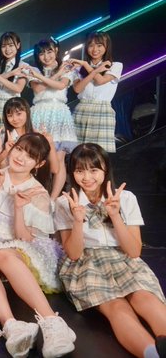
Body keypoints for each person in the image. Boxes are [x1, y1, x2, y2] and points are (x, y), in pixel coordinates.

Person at [0, 133, 76, 358]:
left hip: (22, 245)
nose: (21, 158)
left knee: (4, 254)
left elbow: (24, 238)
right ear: (12, 148)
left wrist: (19, 208)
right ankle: (11, 326)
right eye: (19, 150)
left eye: (30, 156)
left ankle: (52, 322)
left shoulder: (38, 192)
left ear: (39, 164)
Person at [55, 143, 166, 358]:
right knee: (117, 308)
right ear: (72, 173)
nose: (87, 177)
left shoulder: (126, 198)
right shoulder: (64, 203)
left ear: (105, 169)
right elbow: (74, 254)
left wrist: (115, 215)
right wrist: (77, 220)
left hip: (123, 258)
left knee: (145, 298)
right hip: (86, 263)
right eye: (80, 171)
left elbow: (134, 251)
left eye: (93, 170)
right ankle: (152, 354)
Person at [28, 37, 78, 198]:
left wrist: (58, 73)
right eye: (42, 53)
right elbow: (39, 89)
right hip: (40, 113)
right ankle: (37, 195)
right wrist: (58, 73)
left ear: (56, 50)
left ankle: (53, 198)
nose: (46, 56)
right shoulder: (33, 70)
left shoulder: (67, 68)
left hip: (59, 113)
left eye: (49, 51)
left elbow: (61, 85)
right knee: (37, 157)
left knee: (59, 159)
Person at [0, 98, 61, 197]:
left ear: (27, 112)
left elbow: (54, 169)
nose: (15, 119)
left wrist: (50, 143)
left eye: (18, 114)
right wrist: (5, 151)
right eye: (10, 115)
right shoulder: (3, 137)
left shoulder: (38, 136)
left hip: (32, 186)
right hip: (7, 185)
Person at [71, 31, 122, 153]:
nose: (95, 49)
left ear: (106, 46)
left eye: (99, 45)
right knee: (78, 152)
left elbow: (100, 81)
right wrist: (87, 66)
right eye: (91, 45)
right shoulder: (78, 68)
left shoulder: (115, 65)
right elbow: (77, 89)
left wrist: (86, 65)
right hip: (82, 109)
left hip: (102, 110)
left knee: (99, 153)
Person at [0, 32, 27, 128]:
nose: (7, 49)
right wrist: (11, 73)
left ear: (18, 45)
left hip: (11, 107)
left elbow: (18, 88)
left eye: (11, 45)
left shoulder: (23, 66)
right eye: (4, 46)